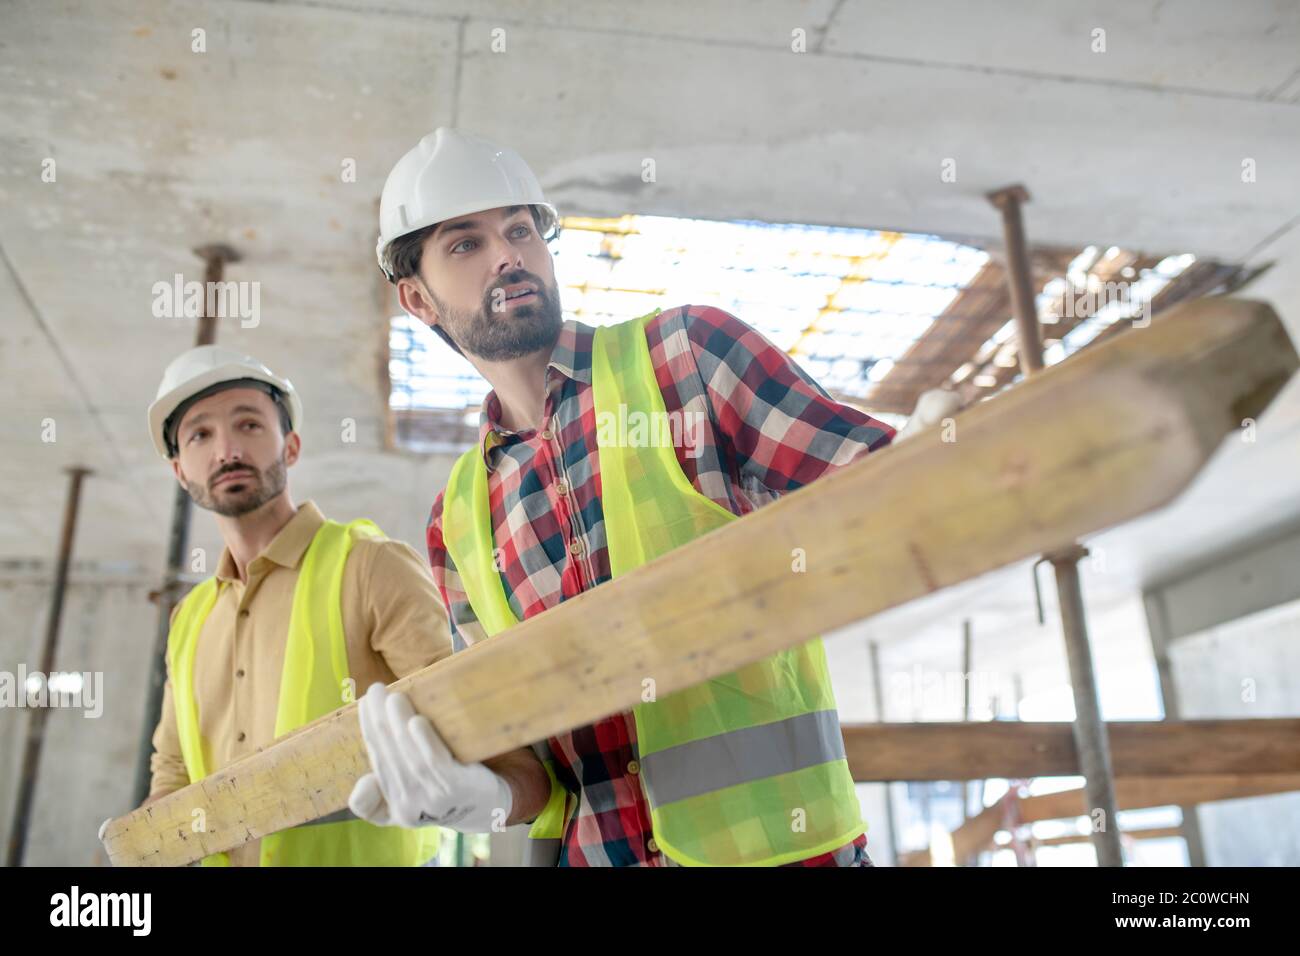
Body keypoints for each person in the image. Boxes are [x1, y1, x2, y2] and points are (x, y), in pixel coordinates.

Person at [351, 128, 896, 866]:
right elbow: (531, 764)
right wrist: (481, 796)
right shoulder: (456, 520)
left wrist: (933, 467)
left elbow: (883, 498)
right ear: (416, 298)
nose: (507, 254)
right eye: (465, 244)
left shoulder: (687, 361)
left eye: (519, 229)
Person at [138, 345, 451, 865]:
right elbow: (172, 773)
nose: (226, 451)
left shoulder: (372, 567)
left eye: (249, 425)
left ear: (291, 447)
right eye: (200, 435)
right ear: (179, 470)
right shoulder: (188, 619)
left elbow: (456, 720)